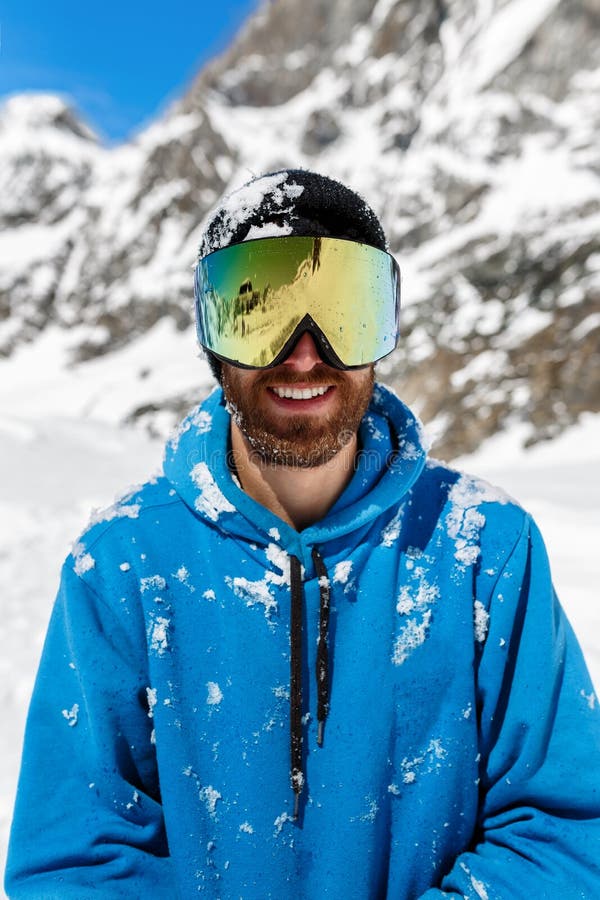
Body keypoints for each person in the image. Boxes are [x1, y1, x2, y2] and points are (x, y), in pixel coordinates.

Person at [5, 168, 600, 899]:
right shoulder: (123, 566)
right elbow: (76, 862)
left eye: (346, 310)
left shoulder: (483, 551)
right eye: (259, 311)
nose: (306, 353)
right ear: (210, 339)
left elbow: (568, 830)